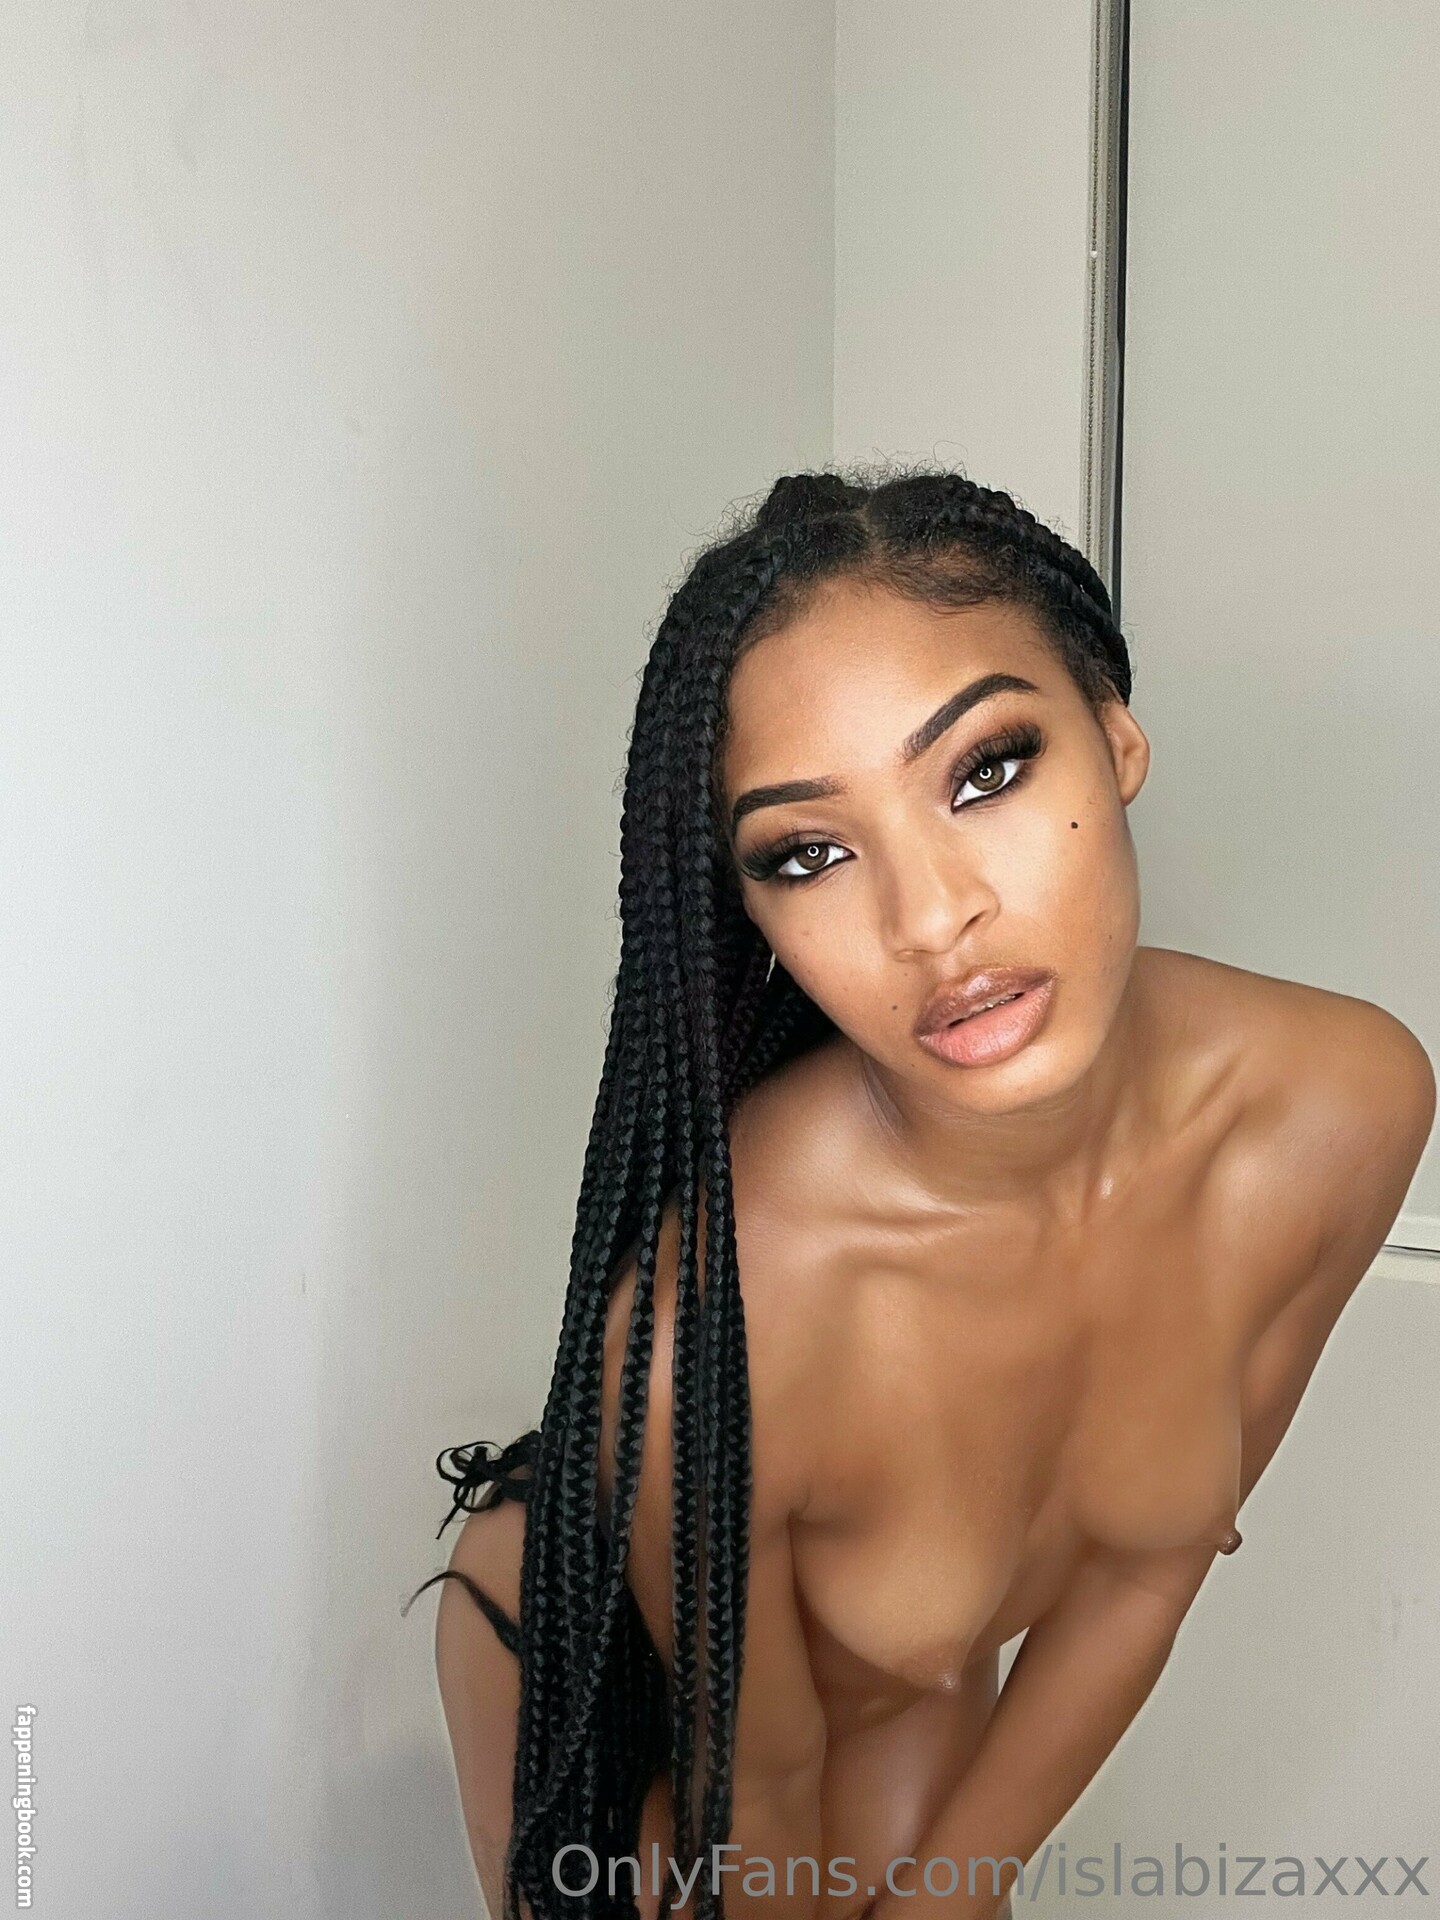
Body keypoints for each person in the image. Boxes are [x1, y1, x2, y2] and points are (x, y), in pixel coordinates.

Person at [406, 465, 1435, 1920]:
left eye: (986, 770)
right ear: (751, 911)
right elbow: (762, 1803)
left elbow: (1150, 1570)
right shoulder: (720, 1325)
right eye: (810, 853)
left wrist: (951, 1894)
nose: (933, 917)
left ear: (1116, 734)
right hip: (602, 1670)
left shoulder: (1344, 1106)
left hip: (900, 1679)